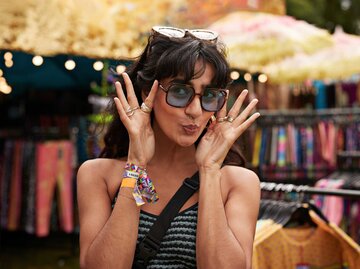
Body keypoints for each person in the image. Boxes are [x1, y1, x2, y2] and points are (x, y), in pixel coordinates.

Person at [77, 26, 261, 269]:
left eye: (209, 96)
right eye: (180, 91)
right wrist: (136, 166)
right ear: (147, 93)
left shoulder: (237, 183)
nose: (195, 111)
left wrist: (209, 170)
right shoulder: (100, 175)